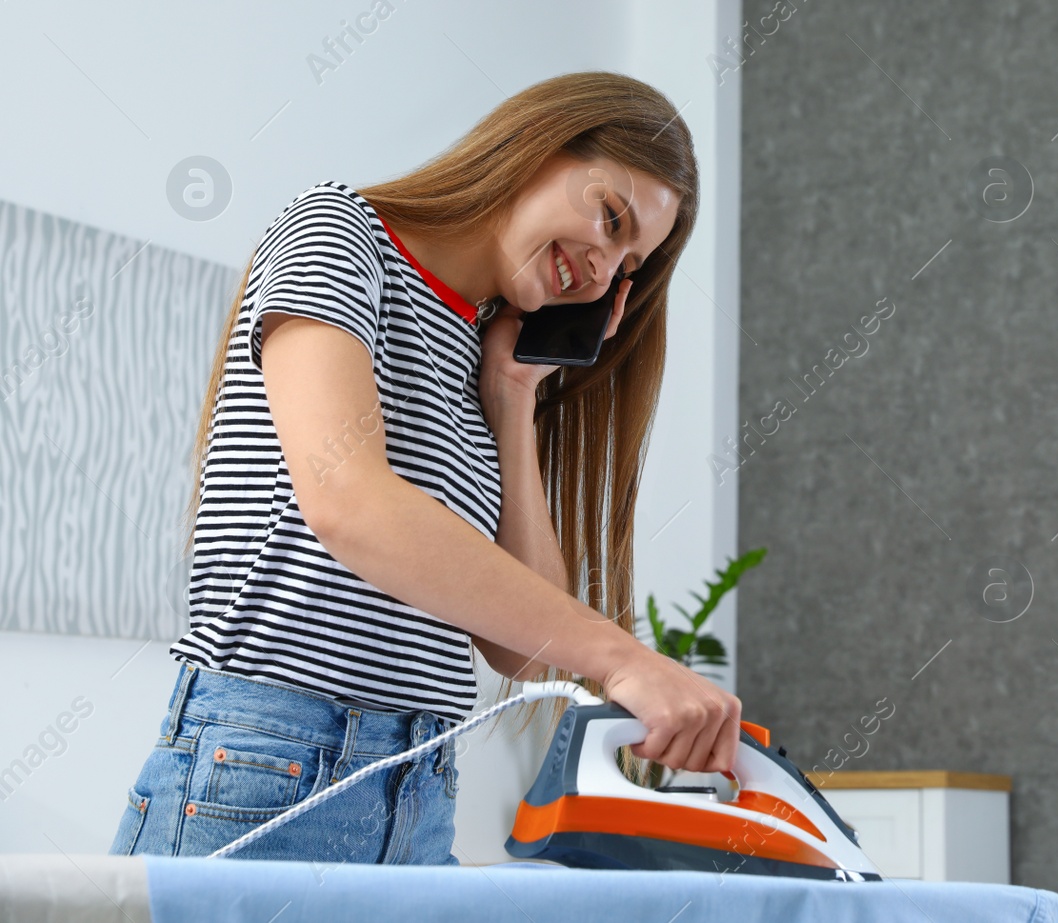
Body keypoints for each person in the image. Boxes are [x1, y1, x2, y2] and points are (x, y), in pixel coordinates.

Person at [108, 71, 742, 864]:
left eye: (628, 263)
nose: (604, 266)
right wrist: (623, 657)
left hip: (420, 782)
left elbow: (526, 650)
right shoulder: (338, 234)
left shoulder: (483, 348)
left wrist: (512, 396)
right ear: (536, 148)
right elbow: (349, 502)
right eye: (608, 217)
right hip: (266, 758)